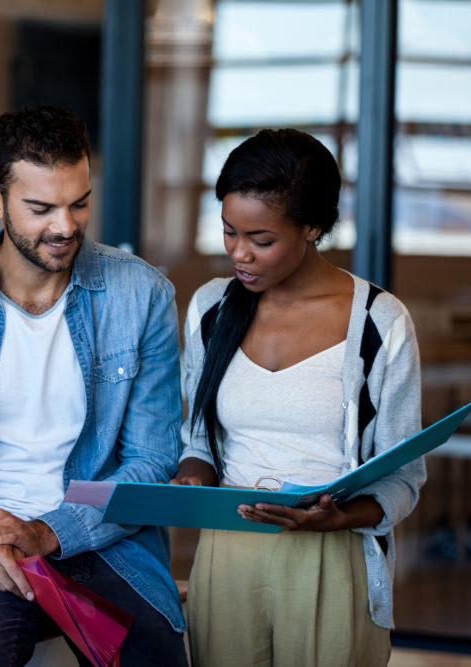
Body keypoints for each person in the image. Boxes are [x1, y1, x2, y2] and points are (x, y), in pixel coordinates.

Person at [0, 104, 189, 666]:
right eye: (41, 208)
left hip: (103, 539)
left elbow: (152, 460)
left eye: (80, 203)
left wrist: (48, 531)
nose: (66, 226)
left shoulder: (141, 296)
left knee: (153, 657)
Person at [172, 128, 425, 666]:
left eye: (261, 240)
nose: (241, 253)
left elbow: (404, 474)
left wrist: (337, 516)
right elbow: (195, 434)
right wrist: (193, 473)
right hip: (227, 550)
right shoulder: (212, 309)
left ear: (312, 227)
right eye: (228, 232)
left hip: (331, 556)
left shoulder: (380, 323)